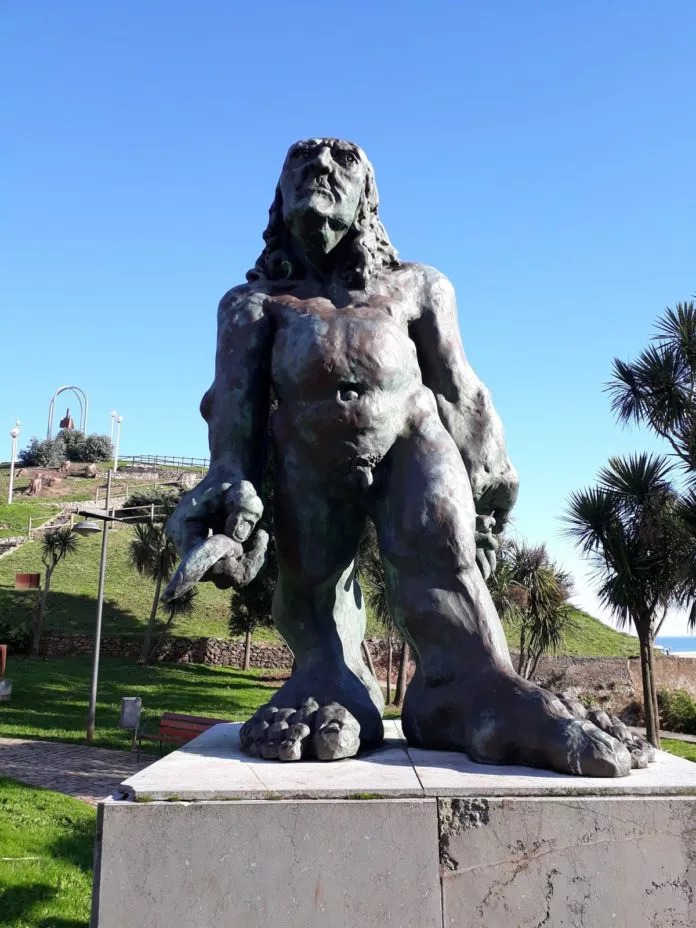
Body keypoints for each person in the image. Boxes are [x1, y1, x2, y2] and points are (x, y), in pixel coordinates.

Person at [166, 138, 634, 775]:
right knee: (310, 584)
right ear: (279, 196)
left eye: (343, 162)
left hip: (412, 441)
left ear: (367, 198)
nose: (321, 168)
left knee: (440, 553)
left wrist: (491, 485)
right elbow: (235, 405)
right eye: (303, 160)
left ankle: (465, 689)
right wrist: (228, 487)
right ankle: (329, 678)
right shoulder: (250, 305)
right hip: (308, 454)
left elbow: (460, 388)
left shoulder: (419, 286)